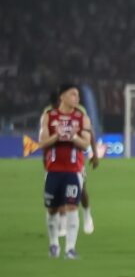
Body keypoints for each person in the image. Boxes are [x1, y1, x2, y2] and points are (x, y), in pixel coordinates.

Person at [39, 83, 93, 259]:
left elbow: (85, 144)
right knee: (52, 210)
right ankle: (53, 244)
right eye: (73, 95)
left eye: (77, 95)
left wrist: (73, 136)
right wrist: (57, 135)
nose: (76, 98)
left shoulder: (81, 118)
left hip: (73, 170)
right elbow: (42, 143)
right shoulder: (49, 117)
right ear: (62, 96)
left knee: (71, 207)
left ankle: (70, 248)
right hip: (53, 170)